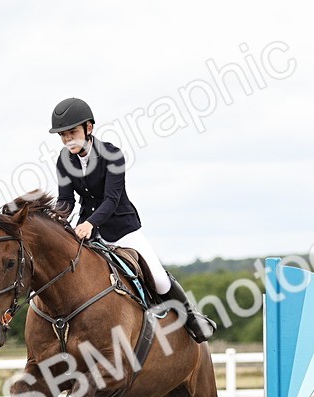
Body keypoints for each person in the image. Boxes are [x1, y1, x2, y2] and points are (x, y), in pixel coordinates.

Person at [49, 97, 217, 343]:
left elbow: (111, 199)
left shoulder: (112, 155)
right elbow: (66, 201)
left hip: (121, 228)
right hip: (87, 232)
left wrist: (89, 224)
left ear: (89, 128)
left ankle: (191, 317)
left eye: (72, 132)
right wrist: (54, 220)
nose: (67, 140)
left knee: (158, 278)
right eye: (63, 135)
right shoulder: (65, 161)